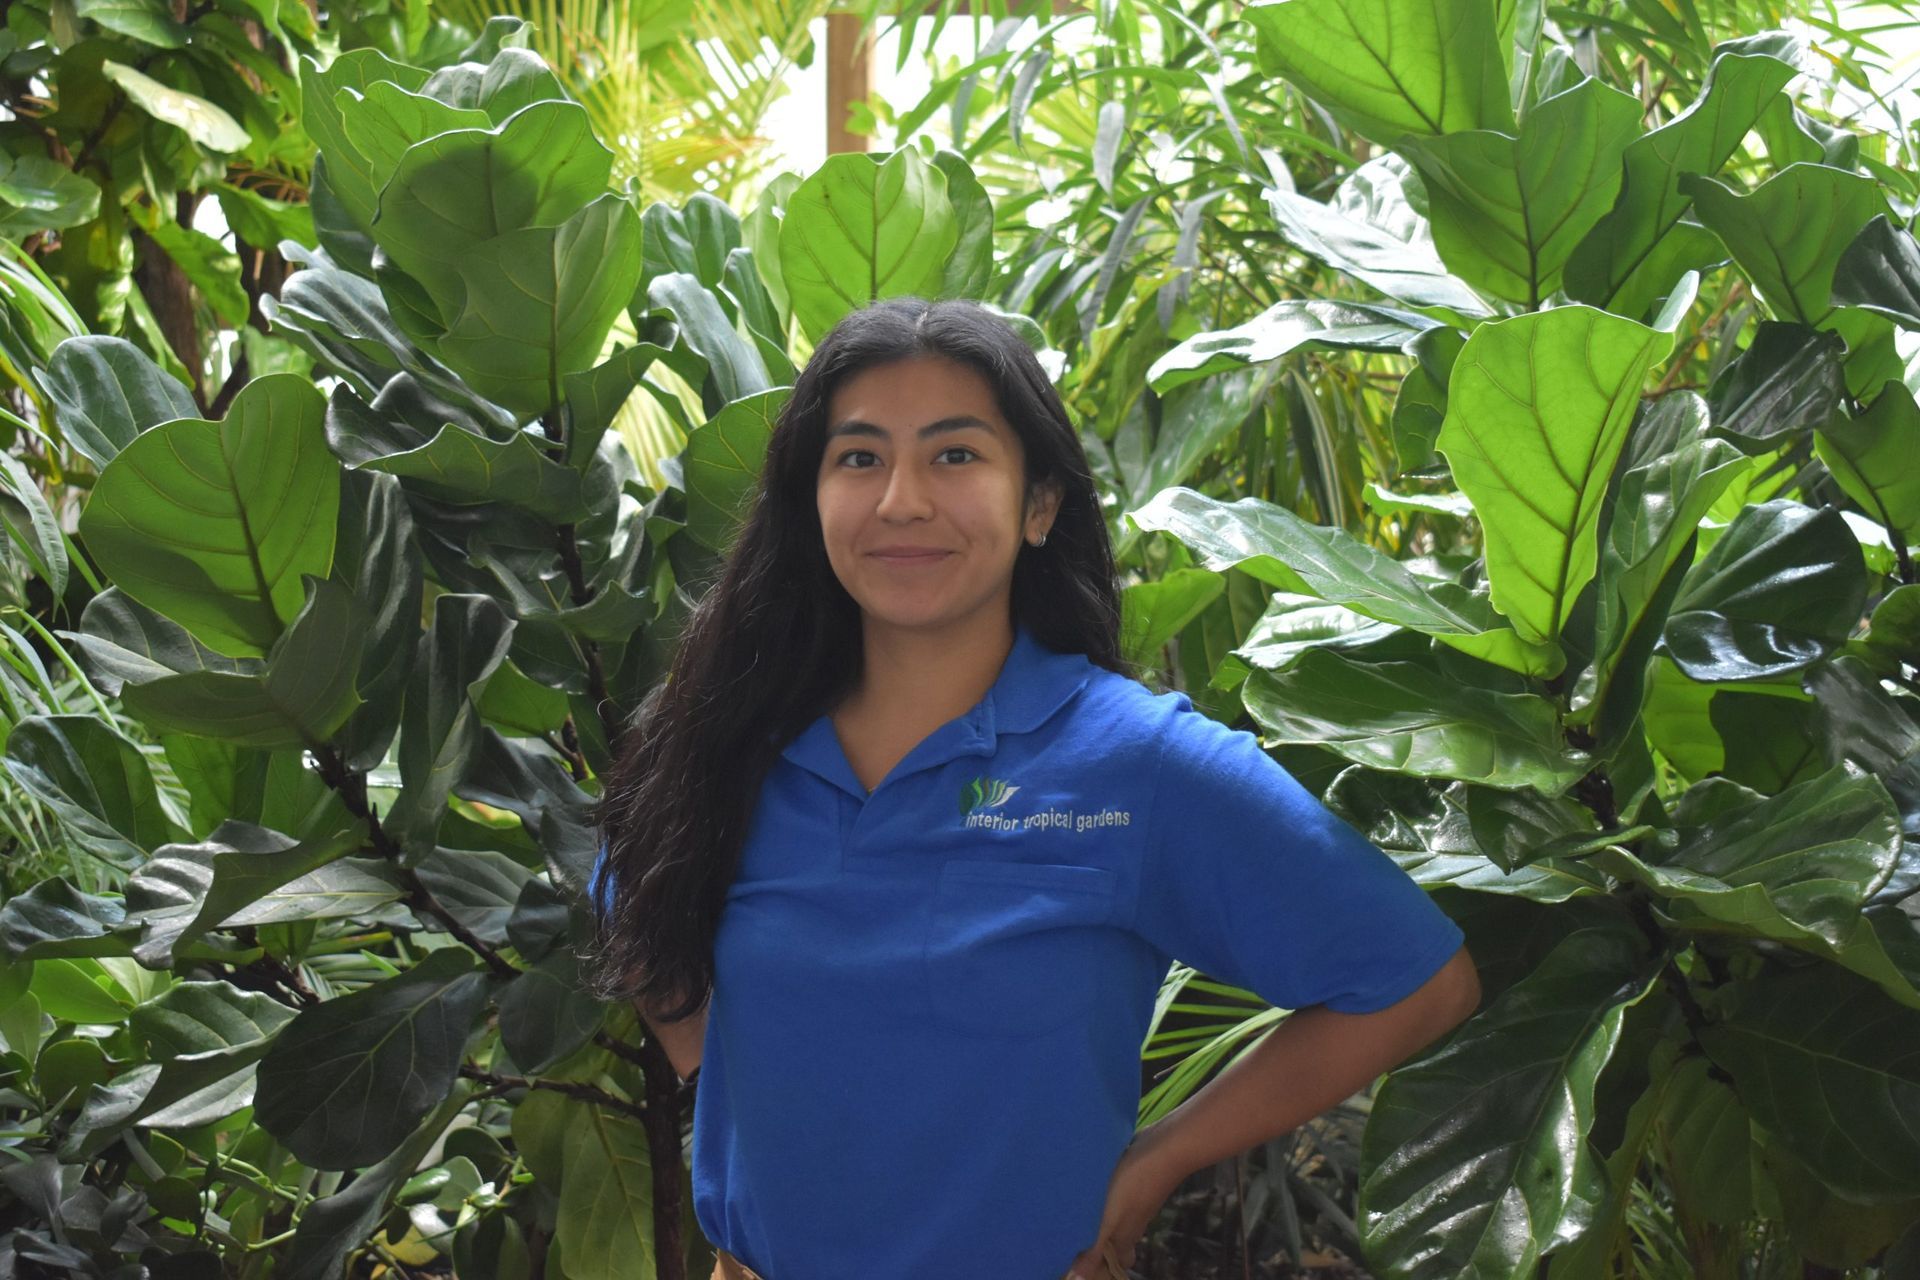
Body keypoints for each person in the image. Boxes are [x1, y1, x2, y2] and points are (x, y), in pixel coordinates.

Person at [583, 297, 1481, 1280]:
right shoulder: (728, 739)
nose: (902, 501)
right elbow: (635, 892)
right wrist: (732, 1078)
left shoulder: (1139, 763)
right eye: (860, 457)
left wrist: (1157, 1160)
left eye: (955, 454)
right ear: (811, 500)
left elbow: (1413, 982)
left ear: (1040, 503)